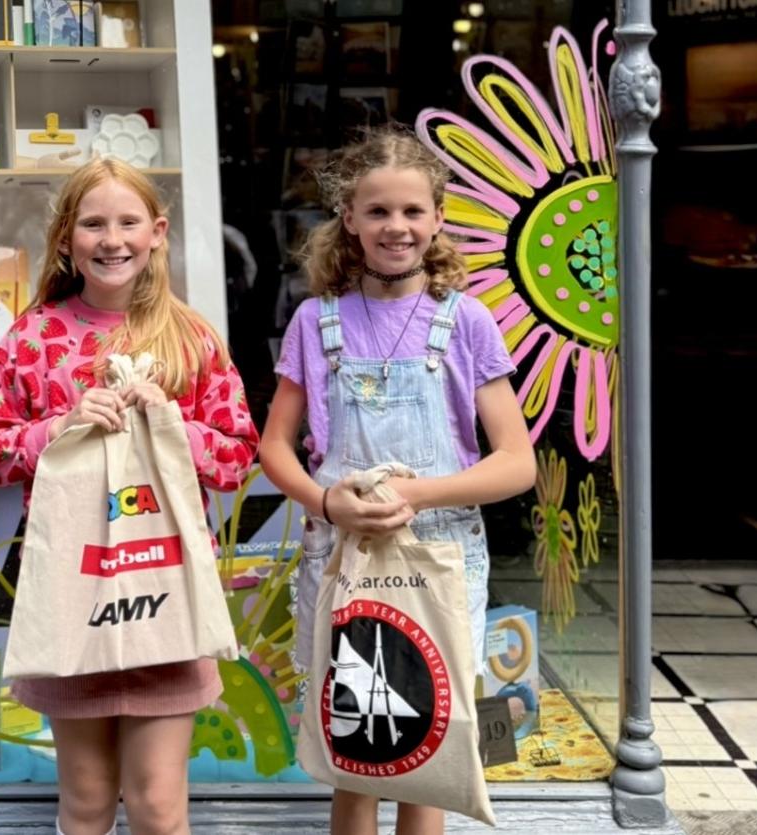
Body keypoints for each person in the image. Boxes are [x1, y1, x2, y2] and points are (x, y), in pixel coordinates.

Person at [0, 158, 258, 835]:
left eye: (128, 222)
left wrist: (173, 423)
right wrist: (56, 428)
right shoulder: (33, 339)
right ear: (65, 238)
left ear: (157, 232)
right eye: (93, 223)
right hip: (73, 594)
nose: (112, 238)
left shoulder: (191, 339)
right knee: (89, 800)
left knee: (158, 804)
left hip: (166, 592)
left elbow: (237, 454)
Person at [258, 127, 536, 835]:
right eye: (378, 211)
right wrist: (326, 500)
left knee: (426, 755)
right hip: (345, 563)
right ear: (348, 218)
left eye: (413, 212)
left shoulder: (466, 323)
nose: (397, 227)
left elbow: (516, 462)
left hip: (440, 561)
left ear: (439, 217)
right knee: (356, 753)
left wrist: (417, 494)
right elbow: (274, 449)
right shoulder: (316, 322)